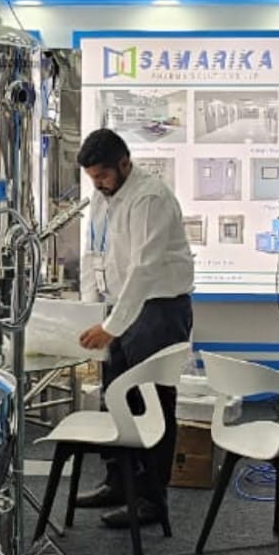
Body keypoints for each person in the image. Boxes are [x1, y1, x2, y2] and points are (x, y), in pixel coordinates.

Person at [75, 128, 194, 529]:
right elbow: (93, 253)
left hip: (158, 309)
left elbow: (144, 269)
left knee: (152, 402)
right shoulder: (102, 196)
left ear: (124, 164)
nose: (98, 183)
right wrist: (91, 311)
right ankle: (118, 483)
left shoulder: (150, 198)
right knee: (116, 398)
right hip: (118, 308)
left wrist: (111, 325)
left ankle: (151, 498)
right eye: (92, 177)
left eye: (103, 175)